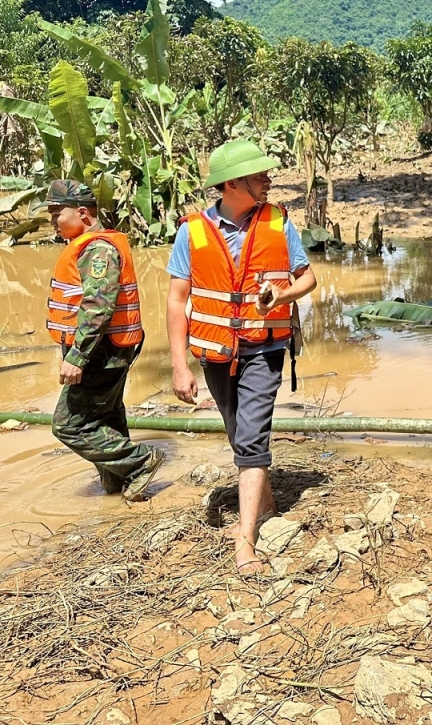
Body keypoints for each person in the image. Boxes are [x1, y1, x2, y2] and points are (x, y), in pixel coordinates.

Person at [165, 140, 317, 574]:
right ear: (232, 184)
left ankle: (245, 541)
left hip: (264, 348)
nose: (269, 180)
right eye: (259, 175)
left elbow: (309, 279)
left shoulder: (278, 224)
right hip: (215, 352)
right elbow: (177, 301)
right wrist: (179, 365)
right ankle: (266, 502)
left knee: (250, 437)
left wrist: (281, 293)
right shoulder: (191, 232)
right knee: (237, 431)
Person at [45, 179, 163, 500]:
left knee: (70, 425)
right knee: (105, 416)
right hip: (108, 347)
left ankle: (140, 462)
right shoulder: (88, 246)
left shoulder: (98, 250)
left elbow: (98, 306)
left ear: (82, 213)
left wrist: (77, 356)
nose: (52, 220)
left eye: (57, 212)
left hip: (101, 351)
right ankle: (117, 484)